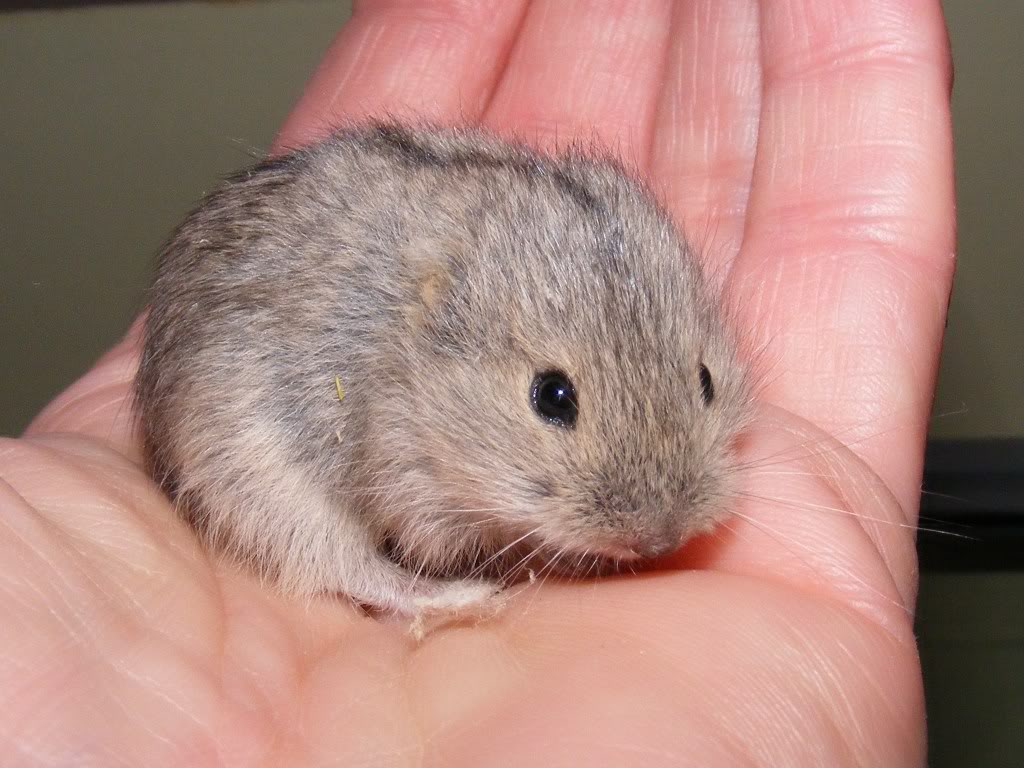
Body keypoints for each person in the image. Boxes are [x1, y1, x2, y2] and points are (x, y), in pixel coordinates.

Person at [1, 1, 953, 764]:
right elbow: (417, 512)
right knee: (286, 486)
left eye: (703, 385)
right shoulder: (419, 355)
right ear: (434, 330)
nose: (662, 523)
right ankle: (360, 578)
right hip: (257, 397)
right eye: (556, 401)